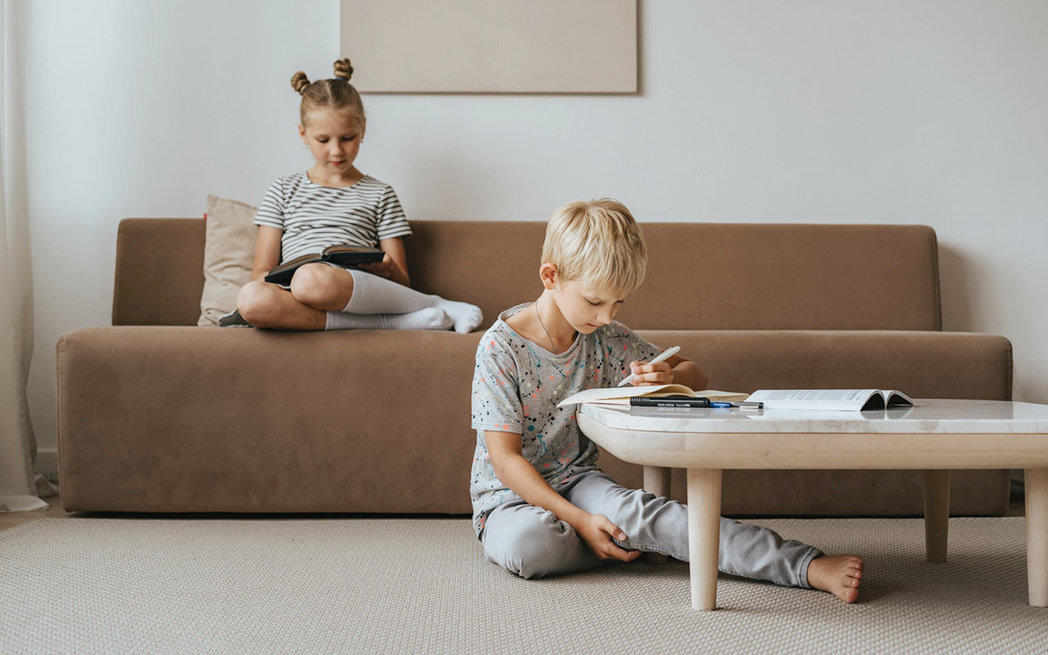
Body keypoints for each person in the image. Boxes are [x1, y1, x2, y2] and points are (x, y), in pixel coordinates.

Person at [469, 199, 863, 603]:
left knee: (647, 516)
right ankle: (627, 539)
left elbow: (696, 373)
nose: (606, 317)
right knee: (531, 545)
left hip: (579, 482)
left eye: (618, 303)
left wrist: (669, 377)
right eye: (595, 302)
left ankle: (804, 565)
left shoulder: (605, 337)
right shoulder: (501, 349)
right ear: (550, 276)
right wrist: (581, 521)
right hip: (507, 501)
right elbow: (505, 460)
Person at [231, 58, 482, 333]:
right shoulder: (282, 190)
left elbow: (402, 280)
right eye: (323, 140)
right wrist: (285, 282)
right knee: (251, 298)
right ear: (303, 134)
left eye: (347, 138)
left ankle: (435, 303)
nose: (336, 151)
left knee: (311, 280)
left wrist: (385, 269)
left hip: (351, 288)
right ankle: (394, 323)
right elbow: (261, 272)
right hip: (296, 293)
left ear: (362, 130)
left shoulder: (380, 193)